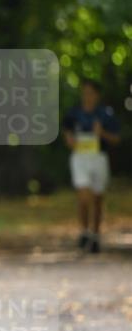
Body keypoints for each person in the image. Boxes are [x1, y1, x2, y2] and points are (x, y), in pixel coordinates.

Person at [62, 78, 121, 253]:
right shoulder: (74, 113)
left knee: (97, 198)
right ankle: (84, 231)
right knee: (83, 195)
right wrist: (69, 140)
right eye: (84, 93)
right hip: (80, 157)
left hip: (98, 157)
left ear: (97, 95)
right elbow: (67, 133)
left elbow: (116, 138)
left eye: (90, 93)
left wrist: (101, 133)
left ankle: (95, 235)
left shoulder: (105, 114)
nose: (87, 96)